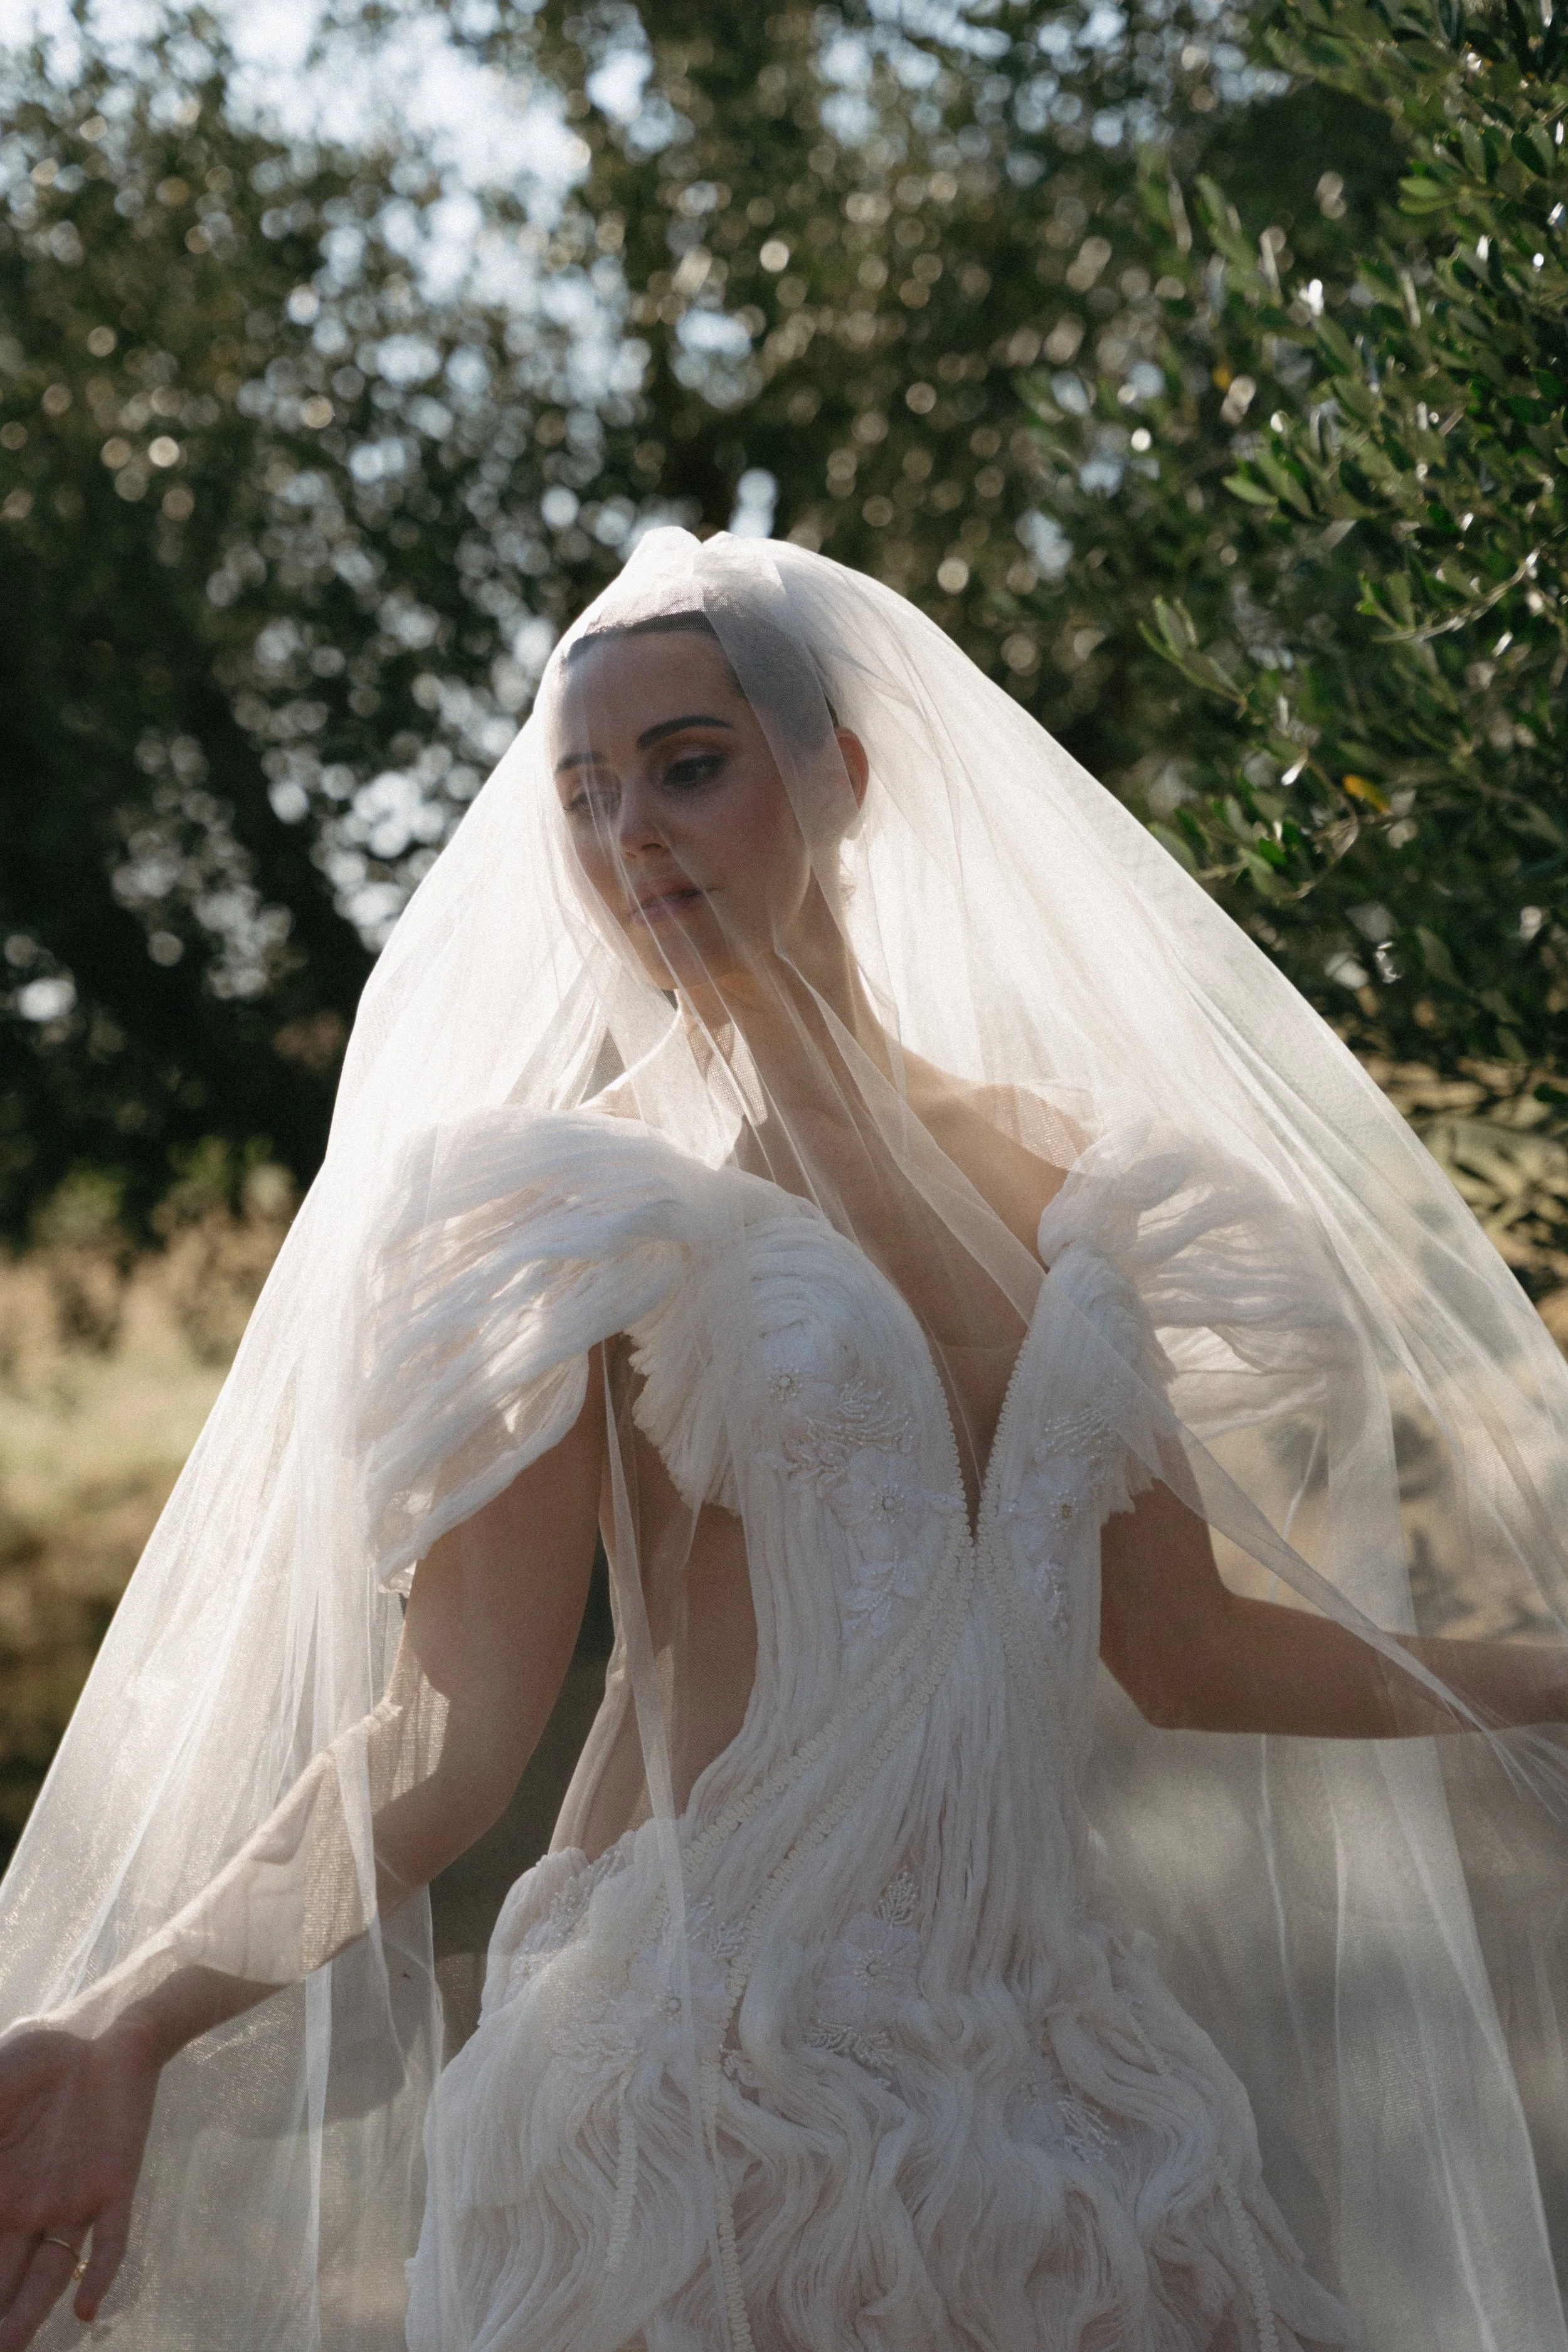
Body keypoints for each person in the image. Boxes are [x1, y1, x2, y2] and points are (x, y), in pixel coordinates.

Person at [3, 528, 1568, 2352]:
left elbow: (1191, 1648)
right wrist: (123, 2019)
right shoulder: (585, 1208)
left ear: (841, 776)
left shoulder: (1072, 1192)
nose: (627, 836)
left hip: (1062, 2085)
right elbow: (441, 1738)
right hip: (700, 2099)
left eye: (686, 764)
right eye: (580, 797)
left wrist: (1549, 1677)